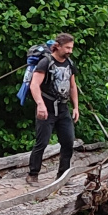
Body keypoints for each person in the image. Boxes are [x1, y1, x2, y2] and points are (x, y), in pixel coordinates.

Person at [27, 33, 79, 184]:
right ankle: (33, 174)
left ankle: (63, 175)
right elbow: (34, 85)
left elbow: (73, 86)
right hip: (47, 108)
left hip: (63, 108)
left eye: (71, 48)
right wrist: (40, 104)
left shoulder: (69, 63)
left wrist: (76, 107)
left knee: (68, 142)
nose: (70, 51)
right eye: (67, 48)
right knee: (42, 142)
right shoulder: (46, 62)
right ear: (58, 46)